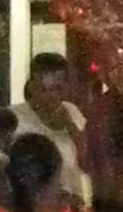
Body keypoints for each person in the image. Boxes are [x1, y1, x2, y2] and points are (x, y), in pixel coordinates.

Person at [8, 54, 91, 199]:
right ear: (31, 86)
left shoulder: (72, 111)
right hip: (34, 202)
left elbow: (86, 163)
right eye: (42, 89)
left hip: (73, 199)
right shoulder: (15, 116)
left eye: (57, 89)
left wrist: (70, 126)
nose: (50, 96)